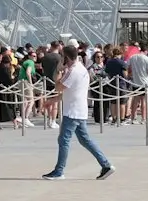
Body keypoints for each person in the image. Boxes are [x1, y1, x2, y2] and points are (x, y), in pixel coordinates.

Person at [44, 42, 112, 180]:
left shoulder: (73, 71)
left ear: (66, 58)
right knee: (85, 140)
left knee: (64, 140)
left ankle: (59, 171)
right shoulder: (81, 69)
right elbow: (70, 92)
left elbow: (58, 86)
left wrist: (58, 70)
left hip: (72, 111)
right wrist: (53, 101)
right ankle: (106, 165)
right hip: (78, 109)